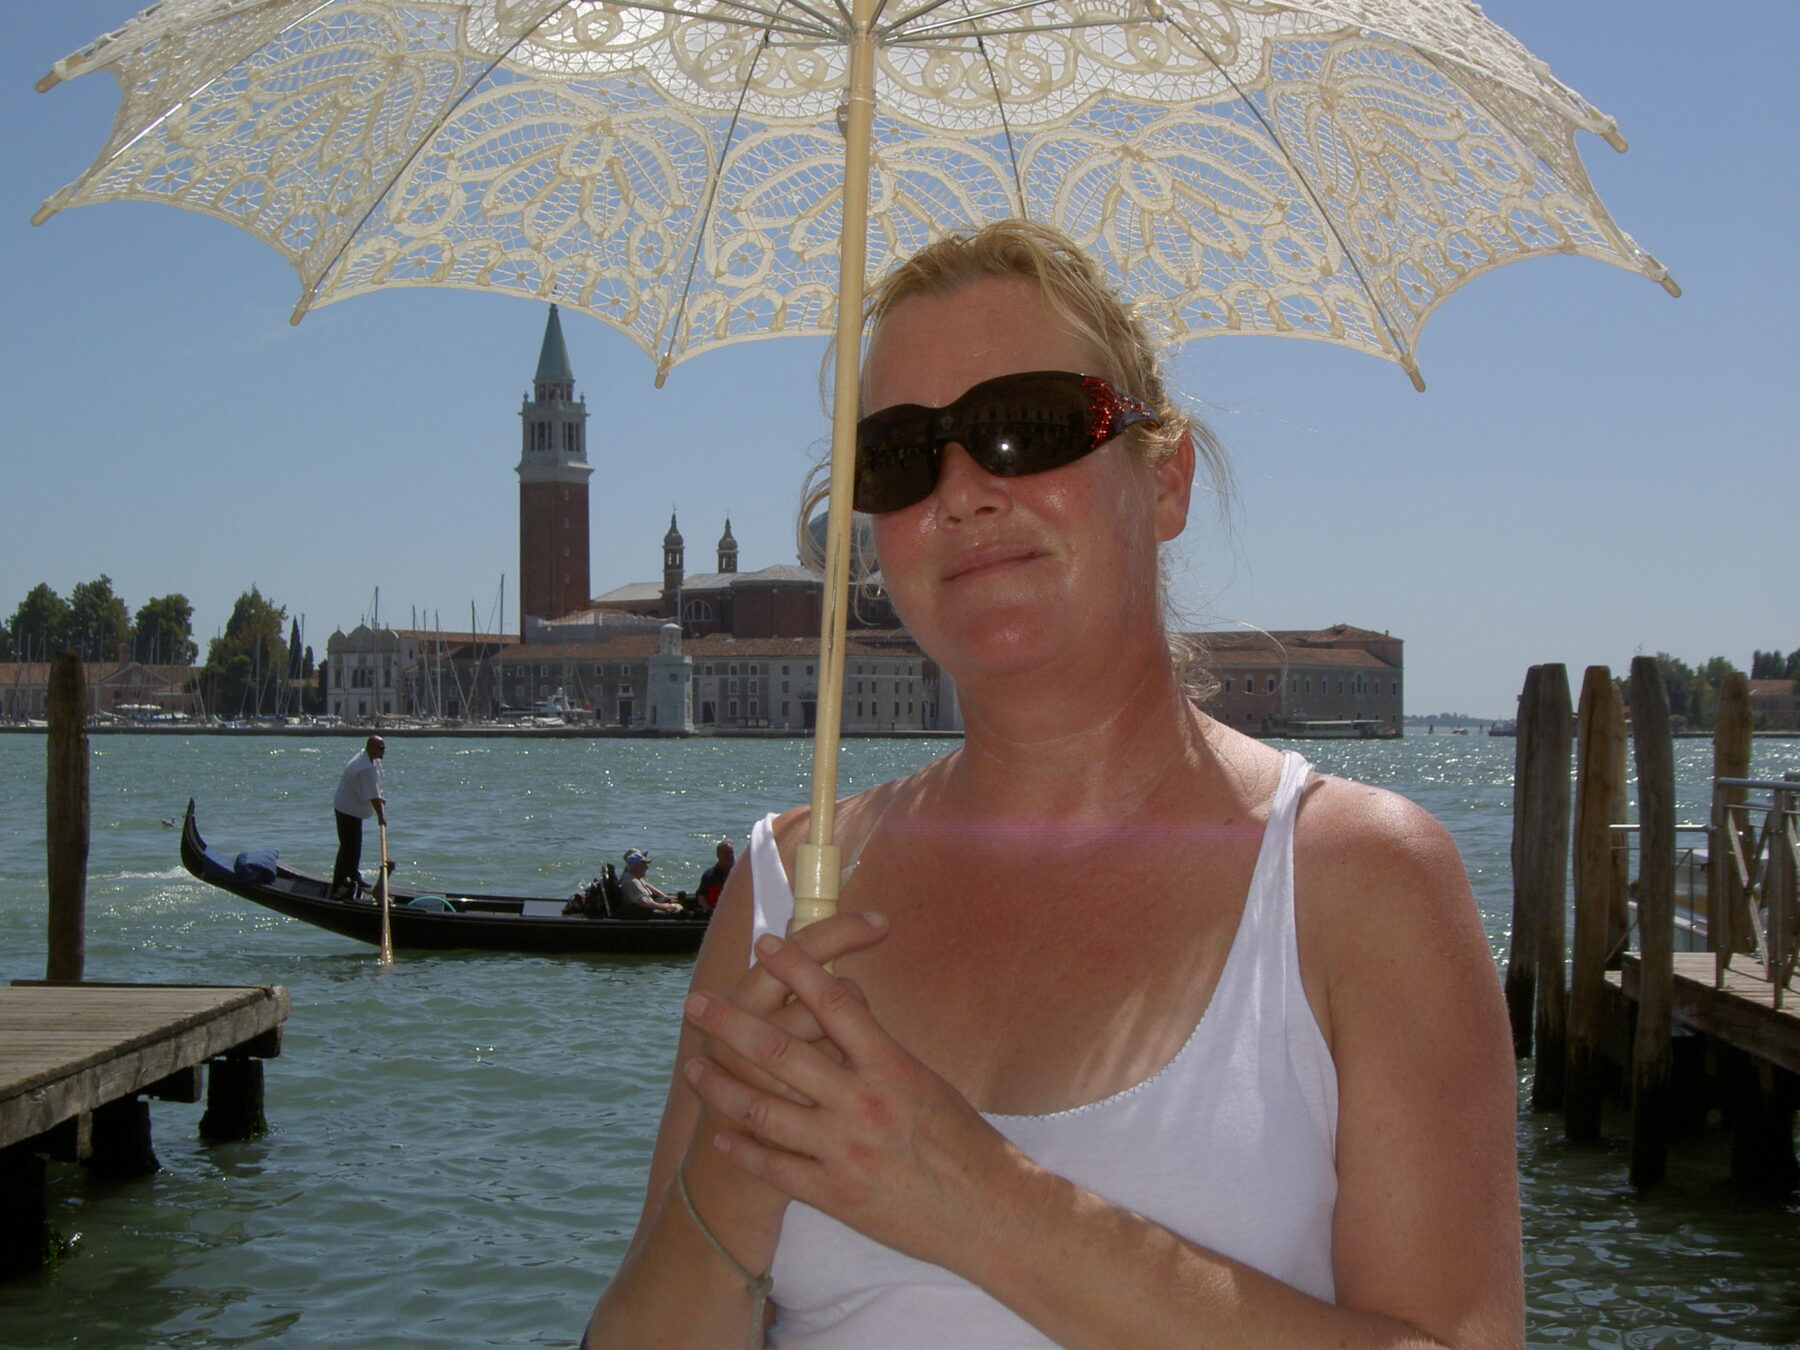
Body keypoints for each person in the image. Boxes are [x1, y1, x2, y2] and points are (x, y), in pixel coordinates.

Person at [585, 221, 1522, 1348]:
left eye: (1025, 427)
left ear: (1164, 479)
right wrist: (728, 1189)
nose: (963, 493)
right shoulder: (785, 888)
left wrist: (974, 1196)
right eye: (900, 453)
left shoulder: (1360, 882)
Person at [331, 735, 385, 899]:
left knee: (354, 846)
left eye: (384, 747)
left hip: (349, 806)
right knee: (349, 847)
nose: (383, 751)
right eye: (380, 748)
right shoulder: (365, 767)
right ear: (371, 747)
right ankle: (339, 883)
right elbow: (373, 795)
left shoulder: (368, 758)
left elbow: (370, 788)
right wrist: (381, 816)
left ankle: (353, 875)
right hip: (347, 809)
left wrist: (378, 798)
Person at [617, 849, 685, 919]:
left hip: (646, 909)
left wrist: (666, 898)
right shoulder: (632, 882)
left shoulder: (634, 877)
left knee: (676, 904)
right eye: (644, 865)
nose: (647, 868)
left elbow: (647, 889)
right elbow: (644, 903)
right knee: (680, 914)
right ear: (637, 867)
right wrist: (666, 906)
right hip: (641, 914)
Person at [695, 840, 736, 911]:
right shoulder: (709, 875)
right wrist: (709, 909)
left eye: (731, 852)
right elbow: (701, 897)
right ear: (718, 855)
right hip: (715, 912)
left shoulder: (738, 874)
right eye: (726, 853)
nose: (730, 855)